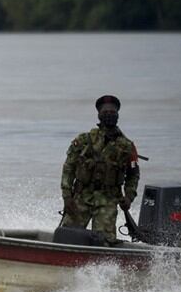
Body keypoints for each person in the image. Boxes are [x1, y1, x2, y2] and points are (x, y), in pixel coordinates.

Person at [60, 95, 140, 245]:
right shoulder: (84, 140)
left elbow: (133, 174)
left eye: (112, 112)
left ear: (117, 115)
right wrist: (67, 197)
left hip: (108, 200)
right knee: (67, 237)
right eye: (105, 112)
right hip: (81, 197)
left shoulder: (127, 146)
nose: (109, 115)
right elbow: (68, 168)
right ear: (99, 115)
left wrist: (129, 197)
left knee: (104, 242)